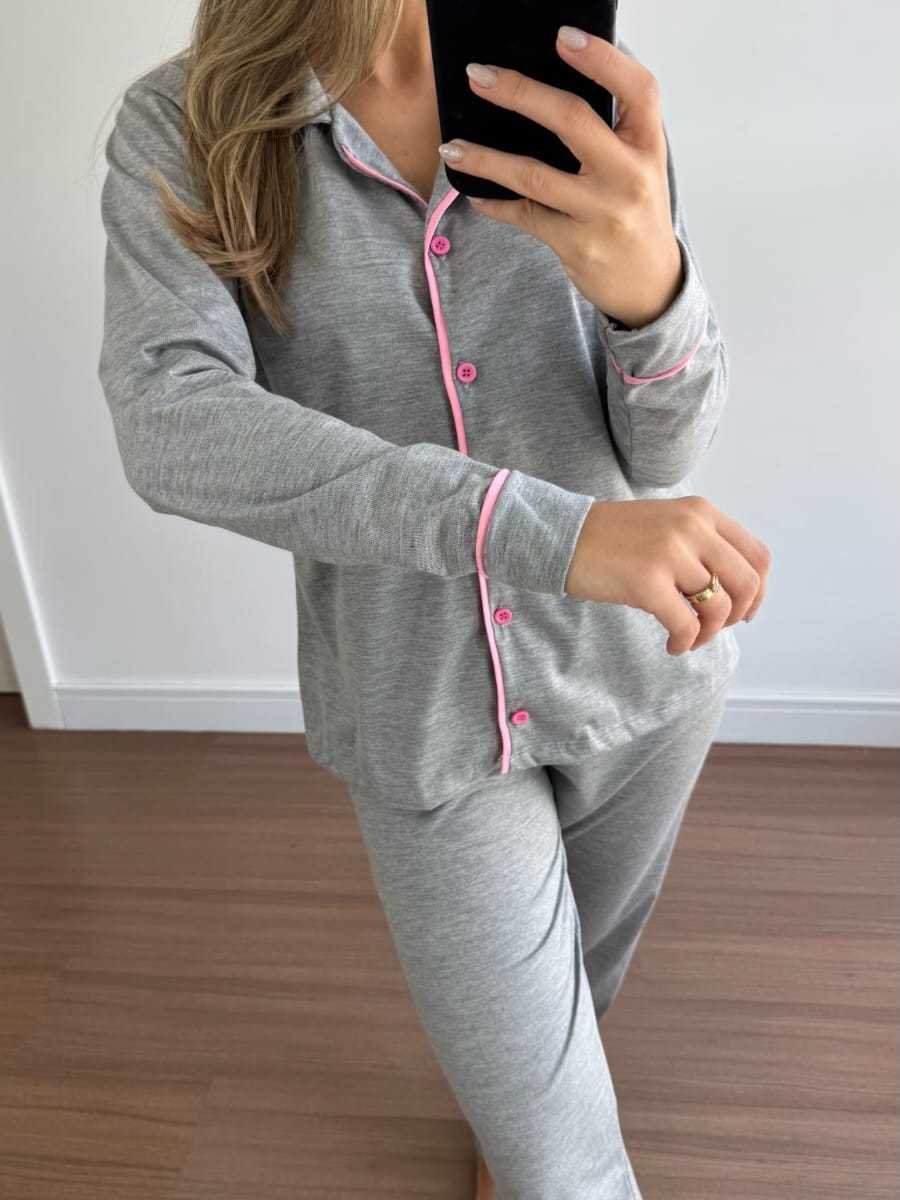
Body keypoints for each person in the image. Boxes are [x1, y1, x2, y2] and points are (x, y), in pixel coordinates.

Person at [96, 2, 771, 1197]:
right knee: (563, 1170)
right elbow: (172, 424)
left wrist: (652, 295)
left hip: (643, 664)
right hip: (424, 710)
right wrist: (532, 529)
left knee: (578, 992)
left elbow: (665, 451)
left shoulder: (576, 86)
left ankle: (521, 1107)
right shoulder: (188, 123)